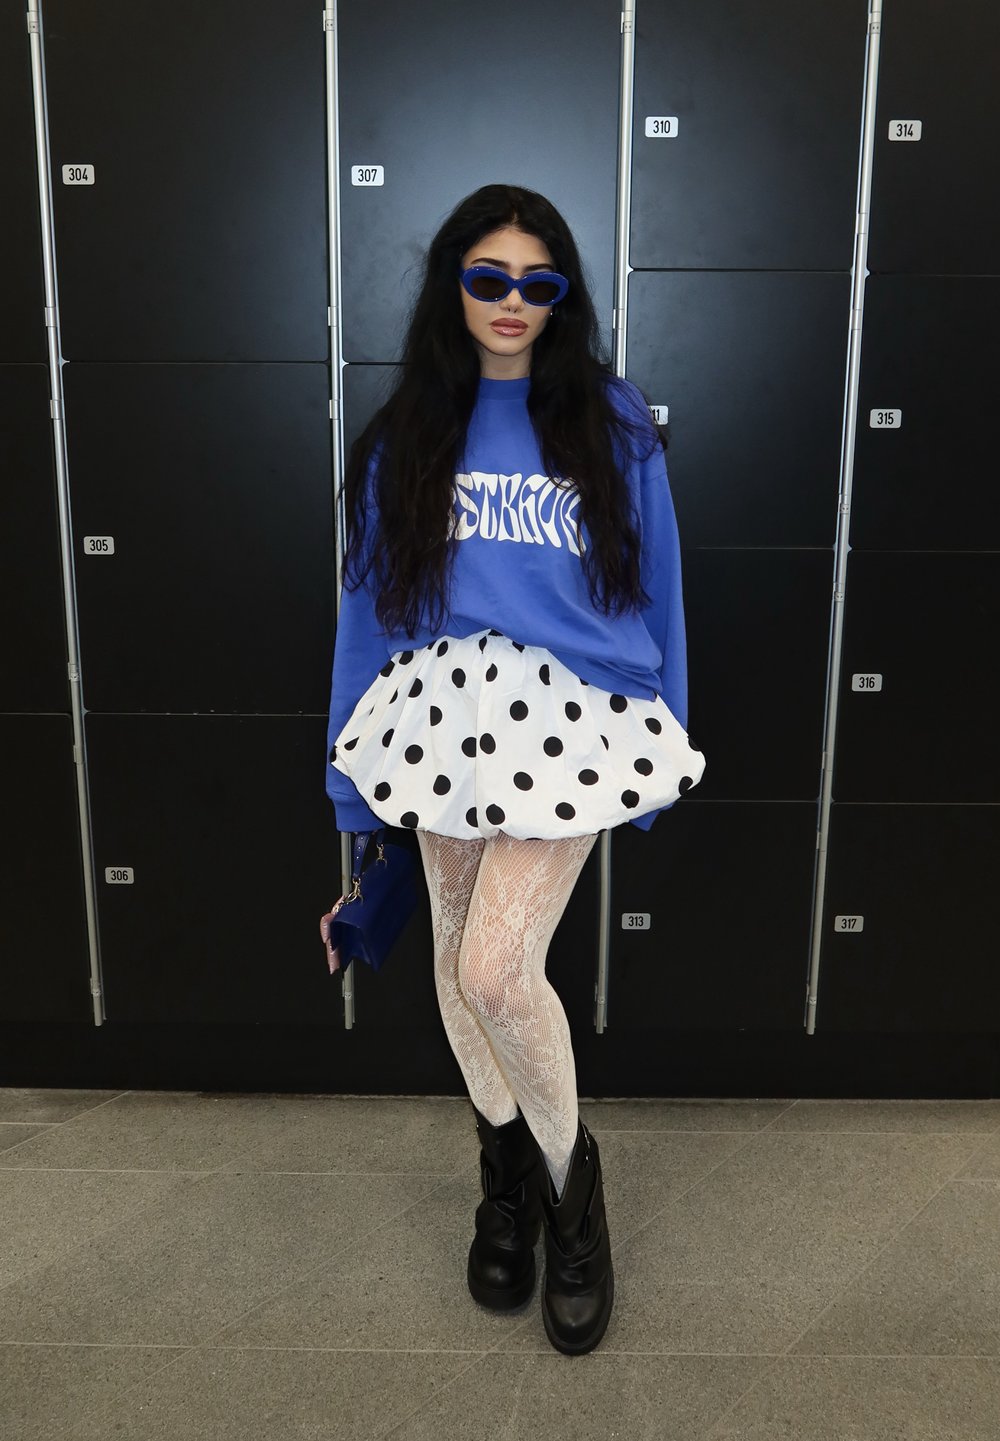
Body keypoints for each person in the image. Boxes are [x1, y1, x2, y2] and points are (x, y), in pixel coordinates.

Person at [324, 183, 706, 1355]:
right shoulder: (411, 430)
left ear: (561, 297)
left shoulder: (610, 419)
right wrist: (348, 789)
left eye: (537, 283)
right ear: (453, 283)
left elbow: (659, 584)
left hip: (572, 715)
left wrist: (663, 743)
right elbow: (366, 612)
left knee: (497, 968)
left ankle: (571, 1193)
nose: (511, 302)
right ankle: (504, 1177)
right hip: (438, 712)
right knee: (453, 963)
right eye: (487, 278)